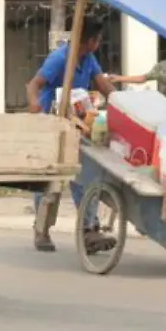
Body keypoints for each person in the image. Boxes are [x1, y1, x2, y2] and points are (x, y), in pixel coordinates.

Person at [26, 28, 117, 253]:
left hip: (76, 123)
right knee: (49, 180)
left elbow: (103, 84)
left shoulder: (89, 59)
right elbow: (34, 84)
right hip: (52, 122)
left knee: (83, 175)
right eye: (98, 40)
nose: (99, 44)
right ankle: (42, 229)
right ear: (90, 40)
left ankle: (89, 228)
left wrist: (121, 102)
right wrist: (33, 103)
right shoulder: (59, 58)